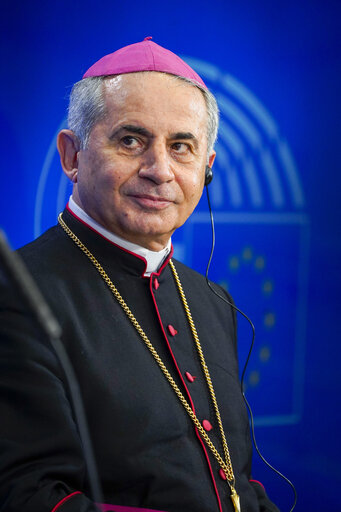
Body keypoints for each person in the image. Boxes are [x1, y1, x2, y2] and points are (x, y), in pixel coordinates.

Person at [0, 39, 279, 512]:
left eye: (181, 147)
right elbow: (24, 495)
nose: (160, 170)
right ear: (72, 155)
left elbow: (233, 482)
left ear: (206, 170)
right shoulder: (16, 295)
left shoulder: (214, 301)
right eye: (131, 140)